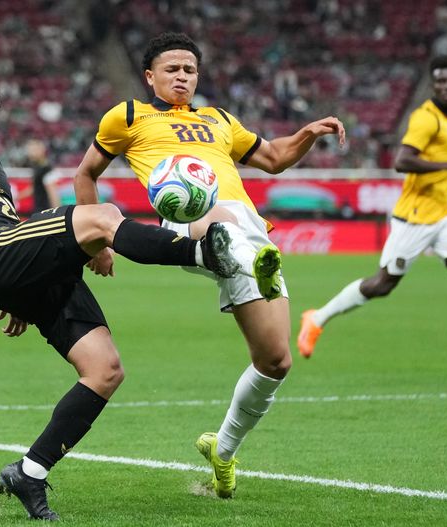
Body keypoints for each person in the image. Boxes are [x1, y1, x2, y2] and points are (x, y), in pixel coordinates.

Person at [0, 64, 254, 521]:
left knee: (104, 370)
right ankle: (204, 254)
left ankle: (29, 472)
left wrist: (21, 295)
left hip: (19, 266)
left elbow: (10, 227)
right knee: (101, 214)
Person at [74, 32, 346, 499]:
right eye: (172, 69)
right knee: (219, 220)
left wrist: (307, 133)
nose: (182, 76)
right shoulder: (129, 116)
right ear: (150, 76)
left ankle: (223, 447)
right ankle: (246, 257)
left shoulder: (218, 119)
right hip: (187, 221)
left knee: (276, 360)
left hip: (250, 226)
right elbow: (85, 174)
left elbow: (274, 158)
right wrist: (97, 246)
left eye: (190, 70)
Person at [297, 56, 447, 386]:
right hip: (415, 218)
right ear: (432, 84)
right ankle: (317, 318)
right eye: (440, 81)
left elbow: (443, 161)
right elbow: (402, 161)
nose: (446, 86)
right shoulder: (424, 119)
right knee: (382, 284)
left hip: (445, 214)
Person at [17, 139, 61, 214]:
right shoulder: (37, 168)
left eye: (33, 150)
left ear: (41, 151)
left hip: (45, 212)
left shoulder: (47, 170)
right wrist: (14, 197)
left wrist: (57, 214)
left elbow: (53, 194)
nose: (30, 153)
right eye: (29, 150)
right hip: (38, 211)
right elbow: (34, 188)